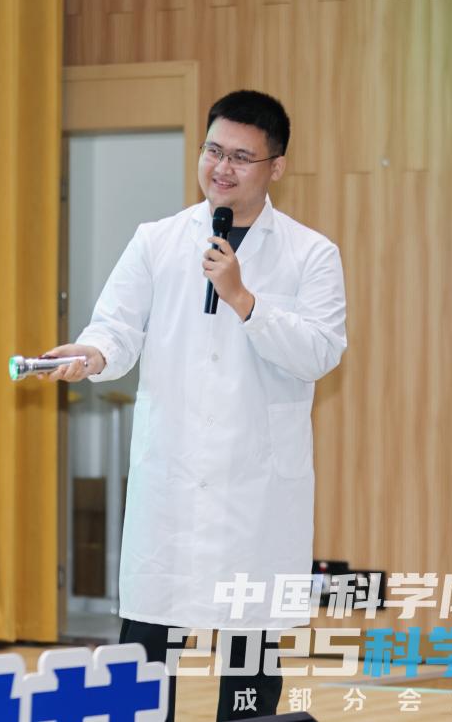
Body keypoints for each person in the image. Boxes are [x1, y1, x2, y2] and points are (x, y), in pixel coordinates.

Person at [42, 90, 347, 720]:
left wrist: (243, 299)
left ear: (276, 167)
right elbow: (117, 328)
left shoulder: (310, 253)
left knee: (249, 664)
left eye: (241, 157)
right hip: (173, 484)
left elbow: (319, 352)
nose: (221, 168)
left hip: (256, 490)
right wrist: (92, 354)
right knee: (147, 654)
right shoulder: (156, 240)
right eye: (213, 150)